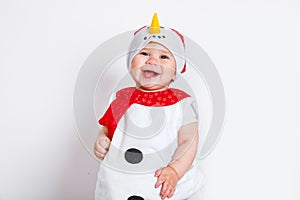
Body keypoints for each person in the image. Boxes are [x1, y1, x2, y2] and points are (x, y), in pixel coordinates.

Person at [94, 13, 203, 200]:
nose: (152, 61)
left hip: (161, 178)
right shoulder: (122, 98)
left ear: (175, 71)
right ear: (131, 63)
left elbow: (189, 141)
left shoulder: (181, 102)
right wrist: (101, 141)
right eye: (144, 53)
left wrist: (175, 171)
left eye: (163, 57)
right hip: (121, 181)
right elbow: (108, 129)